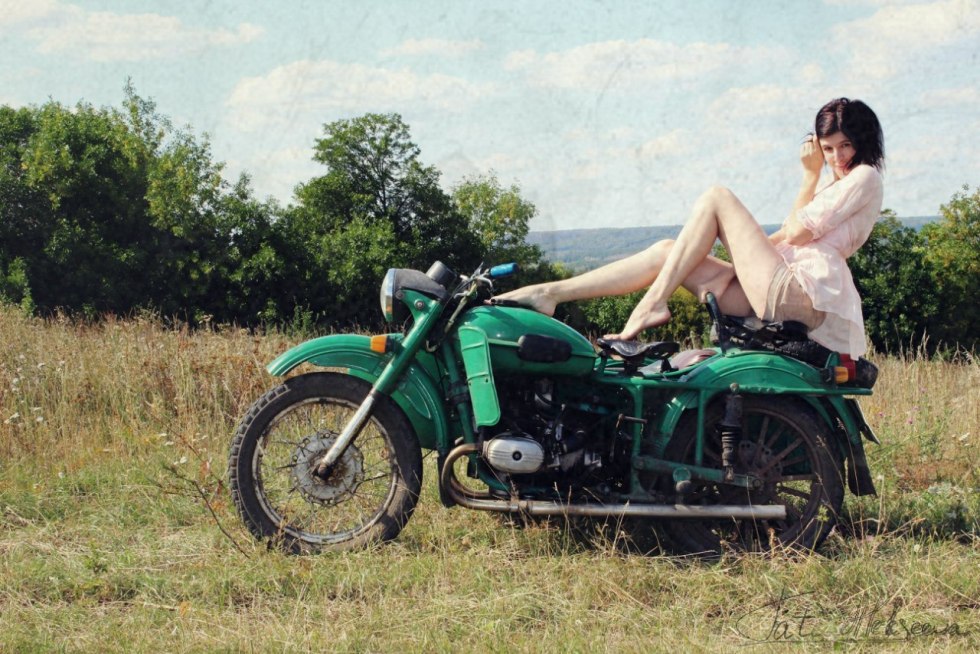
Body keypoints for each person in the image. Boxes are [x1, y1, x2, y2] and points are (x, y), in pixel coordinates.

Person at [493, 98, 884, 357]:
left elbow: (798, 232)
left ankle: (651, 304)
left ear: (862, 142)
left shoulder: (864, 176)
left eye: (845, 146)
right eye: (828, 148)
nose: (836, 157)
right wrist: (741, 256)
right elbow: (787, 235)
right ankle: (551, 293)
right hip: (778, 284)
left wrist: (808, 176)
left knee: (717, 197)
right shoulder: (840, 182)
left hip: (801, 295)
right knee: (668, 251)